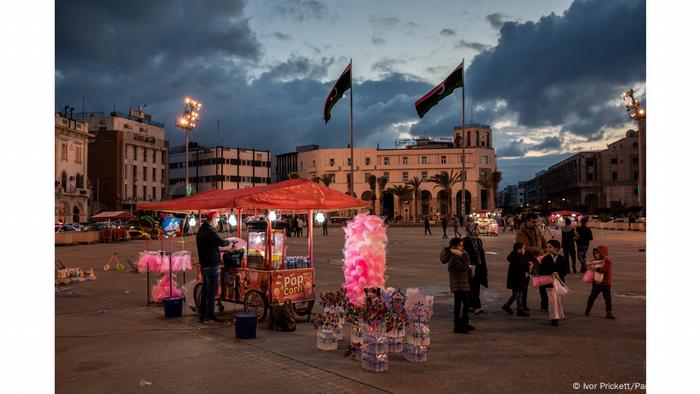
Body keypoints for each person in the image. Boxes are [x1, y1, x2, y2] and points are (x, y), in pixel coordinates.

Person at [196, 211, 231, 324]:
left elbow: (210, 246)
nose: (218, 223)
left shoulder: (200, 231)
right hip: (212, 265)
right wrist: (230, 241)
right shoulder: (209, 231)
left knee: (205, 291)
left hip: (204, 265)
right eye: (217, 220)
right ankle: (210, 316)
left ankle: (202, 315)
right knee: (211, 292)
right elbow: (221, 242)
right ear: (212, 219)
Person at [440, 237, 474, 333]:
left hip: (463, 283)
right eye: (460, 245)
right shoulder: (454, 257)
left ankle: (463, 323)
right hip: (458, 284)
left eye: (462, 245)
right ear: (454, 247)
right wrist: (466, 261)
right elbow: (463, 267)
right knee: (463, 304)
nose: (462, 248)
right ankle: (458, 325)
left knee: (462, 304)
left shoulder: (460, 254)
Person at [515, 213, 547, 311]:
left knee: (543, 281)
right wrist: (538, 250)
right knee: (525, 284)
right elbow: (525, 248)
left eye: (536, 221)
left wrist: (545, 246)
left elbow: (542, 238)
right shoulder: (521, 233)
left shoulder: (537, 229)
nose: (535, 223)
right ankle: (523, 304)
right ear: (527, 221)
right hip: (527, 260)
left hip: (539, 259)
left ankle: (544, 303)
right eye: (533, 222)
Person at [540, 239, 568, 326]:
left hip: (560, 283)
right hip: (549, 283)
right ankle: (554, 318)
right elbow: (542, 271)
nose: (548, 248)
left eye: (550, 247)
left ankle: (558, 315)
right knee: (552, 301)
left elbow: (566, 270)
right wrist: (550, 273)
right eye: (547, 247)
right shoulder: (545, 259)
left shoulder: (562, 258)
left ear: (556, 248)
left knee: (560, 299)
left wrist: (559, 273)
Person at [463, 221, 488, 315]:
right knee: (471, 287)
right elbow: (464, 255)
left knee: (476, 287)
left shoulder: (478, 240)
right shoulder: (465, 241)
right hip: (470, 268)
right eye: (475, 228)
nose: (477, 230)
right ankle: (475, 306)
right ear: (471, 230)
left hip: (479, 267)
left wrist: (484, 267)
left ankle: (472, 305)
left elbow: (481, 254)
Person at [585, 245, 615, 319]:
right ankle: (588, 309)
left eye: (598, 253)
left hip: (605, 284)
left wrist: (596, 269)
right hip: (596, 283)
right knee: (591, 297)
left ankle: (609, 312)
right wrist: (587, 265)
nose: (596, 255)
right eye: (595, 253)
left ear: (602, 254)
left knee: (607, 299)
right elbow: (587, 266)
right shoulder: (594, 261)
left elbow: (605, 269)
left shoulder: (607, 262)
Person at [502, 242, 530, 316]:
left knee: (518, 294)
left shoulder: (515, 256)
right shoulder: (518, 258)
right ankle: (507, 305)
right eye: (523, 248)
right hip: (518, 279)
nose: (524, 250)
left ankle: (519, 309)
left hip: (514, 279)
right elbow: (521, 268)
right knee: (517, 294)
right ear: (518, 250)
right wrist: (528, 267)